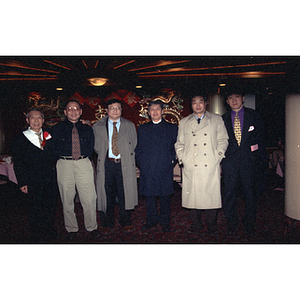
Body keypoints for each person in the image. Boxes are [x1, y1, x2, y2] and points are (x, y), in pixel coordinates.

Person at [175, 94, 228, 235]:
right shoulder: (184, 121)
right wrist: (183, 159)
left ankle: (212, 224)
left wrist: (216, 158)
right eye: (194, 102)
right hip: (191, 165)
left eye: (200, 102)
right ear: (191, 105)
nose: (197, 105)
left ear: (206, 103)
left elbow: (223, 140)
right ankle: (196, 224)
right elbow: (179, 143)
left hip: (209, 164)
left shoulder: (216, 119)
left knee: (211, 197)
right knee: (193, 197)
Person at [46, 100, 99, 240]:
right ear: (65, 112)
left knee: (89, 198)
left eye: (76, 109)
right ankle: (71, 229)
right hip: (64, 164)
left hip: (83, 163)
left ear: (81, 111)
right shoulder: (56, 128)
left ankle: (92, 227)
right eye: (70, 109)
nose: (73, 111)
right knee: (66, 198)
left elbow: (91, 146)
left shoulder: (87, 128)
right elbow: (51, 147)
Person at [222, 87, 267, 236]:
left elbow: (261, 139)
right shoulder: (222, 119)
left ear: (243, 98)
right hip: (230, 163)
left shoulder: (254, 116)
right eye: (231, 98)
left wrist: (260, 162)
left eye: (237, 97)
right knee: (229, 195)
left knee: (250, 195)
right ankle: (232, 223)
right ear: (227, 101)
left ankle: (249, 223)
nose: (234, 100)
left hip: (250, 162)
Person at [11, 108, 58, 242]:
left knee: (50, 206)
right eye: (33, 118)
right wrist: (22, 182)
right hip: (32, 180)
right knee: (35, 208)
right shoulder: (19, 138)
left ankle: (49, 230)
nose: (36, 121)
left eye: (39, 118)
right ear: (27, 120)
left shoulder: (49, 135)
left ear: (43, 120)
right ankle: (37, 233)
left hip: (50, 179)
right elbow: (18, 163)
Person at [93, 98, 138, 234]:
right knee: (107, 194)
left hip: (123, 164)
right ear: (106, 110)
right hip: (107, 164)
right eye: (112, 108)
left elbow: (134, 143)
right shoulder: (97, 126)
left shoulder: (129, 125)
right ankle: (107, 222)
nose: (115, 110)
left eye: (118, 108)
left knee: (125, 193)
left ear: (121, 110)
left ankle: (126, 221)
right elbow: (95, 146)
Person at [135, 100, 178, 232]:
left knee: (165, 197)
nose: (154, 112)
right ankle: (151, 220)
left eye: (157, 109)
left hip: (165, 168)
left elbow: (175, 148)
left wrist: (171, 161)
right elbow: (139, 149)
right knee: (150, 197)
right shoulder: (143, 128)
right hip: (148, 169)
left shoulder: (172, 128)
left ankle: (165, 221)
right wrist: (141, 163)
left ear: (162, 111)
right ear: (148, 112)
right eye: (152, 109)